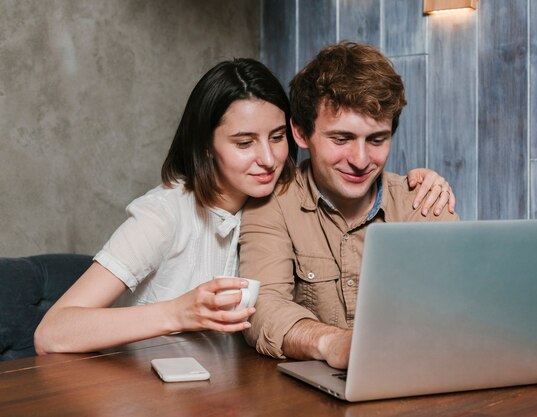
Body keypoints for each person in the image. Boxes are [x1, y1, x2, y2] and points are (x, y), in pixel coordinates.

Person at [35, 57, 455, 354]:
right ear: (206, 145)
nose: (269, 159)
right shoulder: (164, 216)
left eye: (276, 138)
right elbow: (53, 332)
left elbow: (353, 166)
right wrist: (179, 311)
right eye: (243, 143)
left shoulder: (278, 194)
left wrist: (422, 179)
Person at [239, 42, 460, 369]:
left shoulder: (424, 202)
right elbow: (264, 307)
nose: (360, 161)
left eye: (376, 140)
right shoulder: (272, 205)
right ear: (300, 133)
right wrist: (332, 342)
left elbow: (461, 311)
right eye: (341, 139)